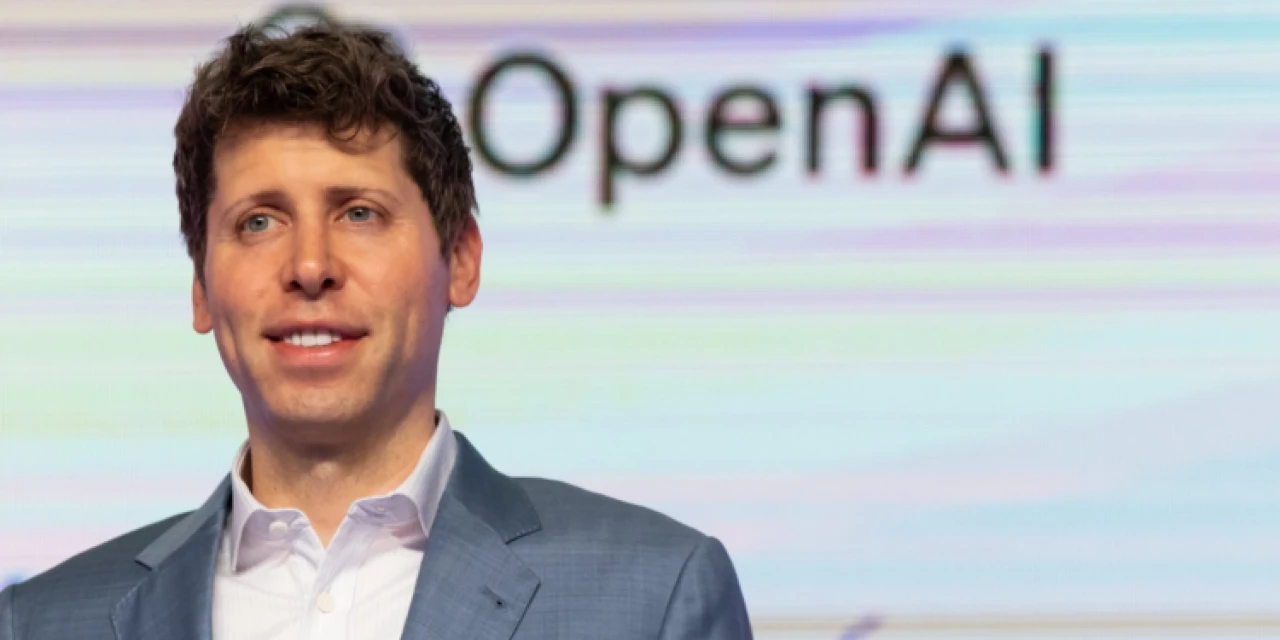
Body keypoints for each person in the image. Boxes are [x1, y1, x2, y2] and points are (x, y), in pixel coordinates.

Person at [0, 22, 752, 640]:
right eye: (259, 221)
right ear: (201, 287)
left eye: (359, 213)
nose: (310, 266)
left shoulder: (654, 596)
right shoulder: (42, 623)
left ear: (461, 260)